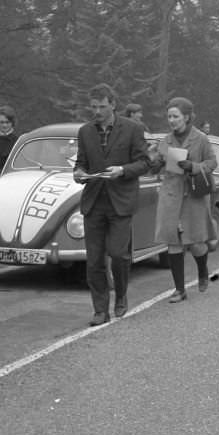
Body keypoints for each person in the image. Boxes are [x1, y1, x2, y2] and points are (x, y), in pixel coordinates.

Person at [73, 83, 152, 326]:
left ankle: (121, 294)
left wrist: (123, 170)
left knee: (118, 254)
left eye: (102, 107)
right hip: (94, 201)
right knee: (94, 260)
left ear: (113, 105)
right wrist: (79, 173)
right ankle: (100, 310)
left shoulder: (132, 129)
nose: (97, 111)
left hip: (121, 201)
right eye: (93, 107)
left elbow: (144, 162)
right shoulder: (85, 132)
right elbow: (81, 162)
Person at [153, 97, 218, 302]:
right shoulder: (165, 141)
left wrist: (194, 167)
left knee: (196, 243)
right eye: (169, 116)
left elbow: (212, 163)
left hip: (193, 196)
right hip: (171, 195)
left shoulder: (201, 139)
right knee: (173, 243)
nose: (171, 120)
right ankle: (179, 290)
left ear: (187, 117)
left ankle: (202, 271)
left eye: (176, 116)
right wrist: (154, 163)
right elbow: (157, 164)